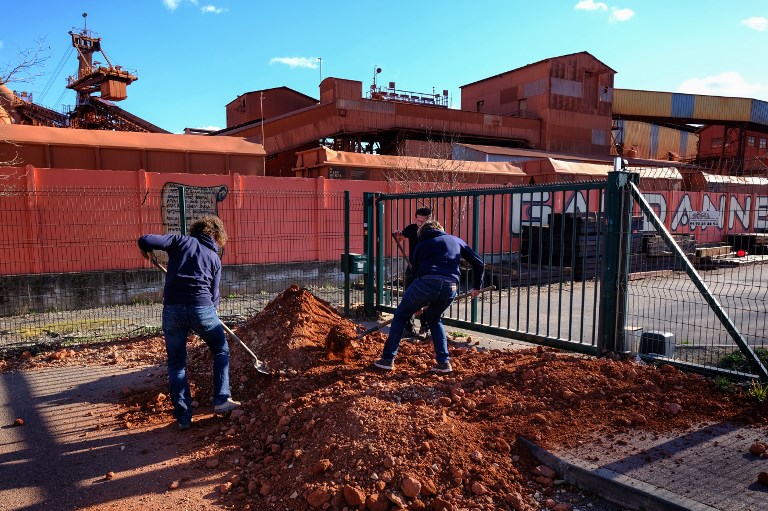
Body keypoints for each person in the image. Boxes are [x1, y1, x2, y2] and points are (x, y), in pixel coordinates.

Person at [137, 215, 240, 430]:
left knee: (176, 362)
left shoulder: (179, 241)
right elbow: (214, 297)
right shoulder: (214, 258)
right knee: (220, 350)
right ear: (215, 235)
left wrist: (144, 251)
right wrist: (205, 318)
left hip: (173, 310)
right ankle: (222, 399)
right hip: (202, 308)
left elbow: (145, 239)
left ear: (197, 230)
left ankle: (183, 417)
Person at [375, 220, 485, 373]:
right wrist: (476, 287)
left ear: (422, 234)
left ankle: (387, 359)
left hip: (426, 282)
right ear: (441, 229)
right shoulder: (456, 240)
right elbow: (479, 263)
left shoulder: (421, 245)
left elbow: (416, 274)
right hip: (450, 286)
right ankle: (443, 362)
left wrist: (417, 303)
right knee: (434, 318)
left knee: (401, 316)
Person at [393, 206, 432, 338]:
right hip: (412, 268)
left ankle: (424, 328)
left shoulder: (433, 231)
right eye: (418, 221)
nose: (420, 224)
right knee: (409, 297)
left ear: (429, 220)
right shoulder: (411, 228)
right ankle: (408, 327)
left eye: (423, 222)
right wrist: (398, 236)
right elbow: (400, 239)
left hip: (427, 270)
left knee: (426, 299)